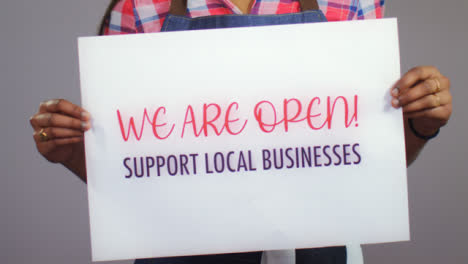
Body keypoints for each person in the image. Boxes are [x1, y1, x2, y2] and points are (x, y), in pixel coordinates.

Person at [29, 0, 453, 263]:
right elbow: (129, 173)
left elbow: (368, 160)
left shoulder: (350, 3)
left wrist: (419, 125)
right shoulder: (138, 9)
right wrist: (70, 152)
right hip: (178, 254)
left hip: (320, 253)